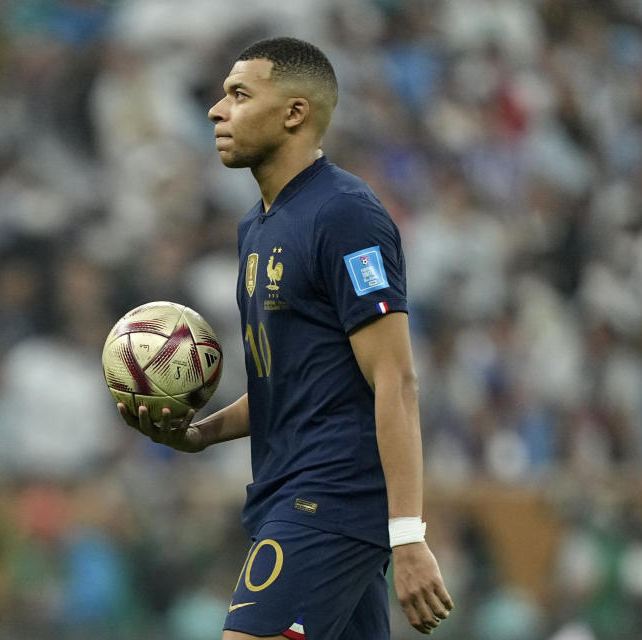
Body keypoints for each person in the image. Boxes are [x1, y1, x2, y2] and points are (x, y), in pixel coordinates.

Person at [118, 36, 453, 639]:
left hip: (328, 499)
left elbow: (395, 379)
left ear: (294, 112)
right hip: (287, 492)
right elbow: (291, 384)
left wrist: (408, 536)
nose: (217, 111)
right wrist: (202, 432)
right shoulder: (257, 226)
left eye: (239, 95)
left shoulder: (346, 214)